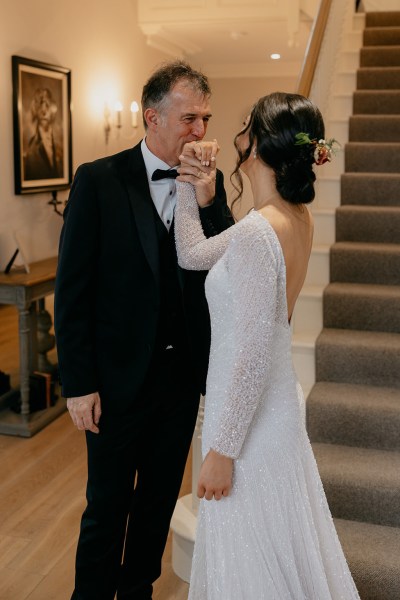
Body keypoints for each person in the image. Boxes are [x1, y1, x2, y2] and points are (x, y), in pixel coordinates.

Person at [54, 60, 233, 600]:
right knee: (107, 505)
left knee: (156, 504)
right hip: (114, 384)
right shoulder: (99, 180)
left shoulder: (211, 180)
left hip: (179, 384)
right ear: (151, 117)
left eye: (205, 118)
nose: (200, 132)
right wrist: (79, 384)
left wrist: (208, 200)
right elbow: (73, 291)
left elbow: (227, 267)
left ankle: (138, 593)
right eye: (188, 119)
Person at [174, 92, 360, 599]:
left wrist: (221, 450)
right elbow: (193, 254)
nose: (234, 136)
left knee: (252, 564)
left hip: (249, 426)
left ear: (256, 145)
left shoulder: (260, 232)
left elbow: (252, 355)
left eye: (244, 126)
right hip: (273, 409)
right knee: (276, 550)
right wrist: (192, 185)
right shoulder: (295, 217)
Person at [24, 87, 63, 180]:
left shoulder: (60, 147)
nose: (44, 111)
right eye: (40, 105)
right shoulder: (30, 149)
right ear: (35, 109)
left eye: (47, 105)